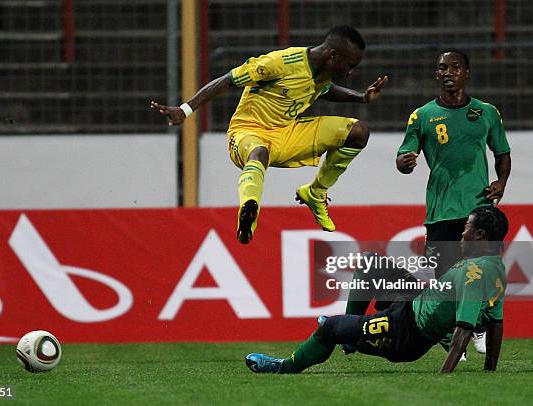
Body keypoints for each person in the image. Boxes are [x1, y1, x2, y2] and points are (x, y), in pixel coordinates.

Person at [151, 25, 388, 244]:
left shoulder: (324, 70)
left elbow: (325, 90)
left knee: (358, 132)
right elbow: (228, 80)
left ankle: (315, 193)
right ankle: (249, 210)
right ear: (333, 55)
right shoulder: (279, 62)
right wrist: (185, 109)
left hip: (288, 133)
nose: (350, 73)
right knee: (259, 152)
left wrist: (361, 97)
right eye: (350, 65)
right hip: (248, 132)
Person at [245, 206, 508, 374]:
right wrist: (490, 369)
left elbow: (463, 329)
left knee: (330, 328)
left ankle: (284, 366)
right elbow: (497, 323)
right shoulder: (495, 268)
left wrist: (444, 376)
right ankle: (351, 336)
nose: (462, 235)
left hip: (405, 332)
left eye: (466, 230)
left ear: (481, 235)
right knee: (370, 263)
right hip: (411, 301)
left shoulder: (476, 274)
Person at [395, 49, 511, 352]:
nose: (448, 72)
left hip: (479, 210)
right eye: (442, 67)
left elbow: (502, 153)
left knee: (482, 273)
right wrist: (404, 163)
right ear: (437, 74)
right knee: (440, 279)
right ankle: (448, 339)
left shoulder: (487, 112)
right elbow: (403, 155)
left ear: (466, 72)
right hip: (441, 210)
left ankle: (481, 327)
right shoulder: (422, 116)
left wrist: (501, 182)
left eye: (455, 67)